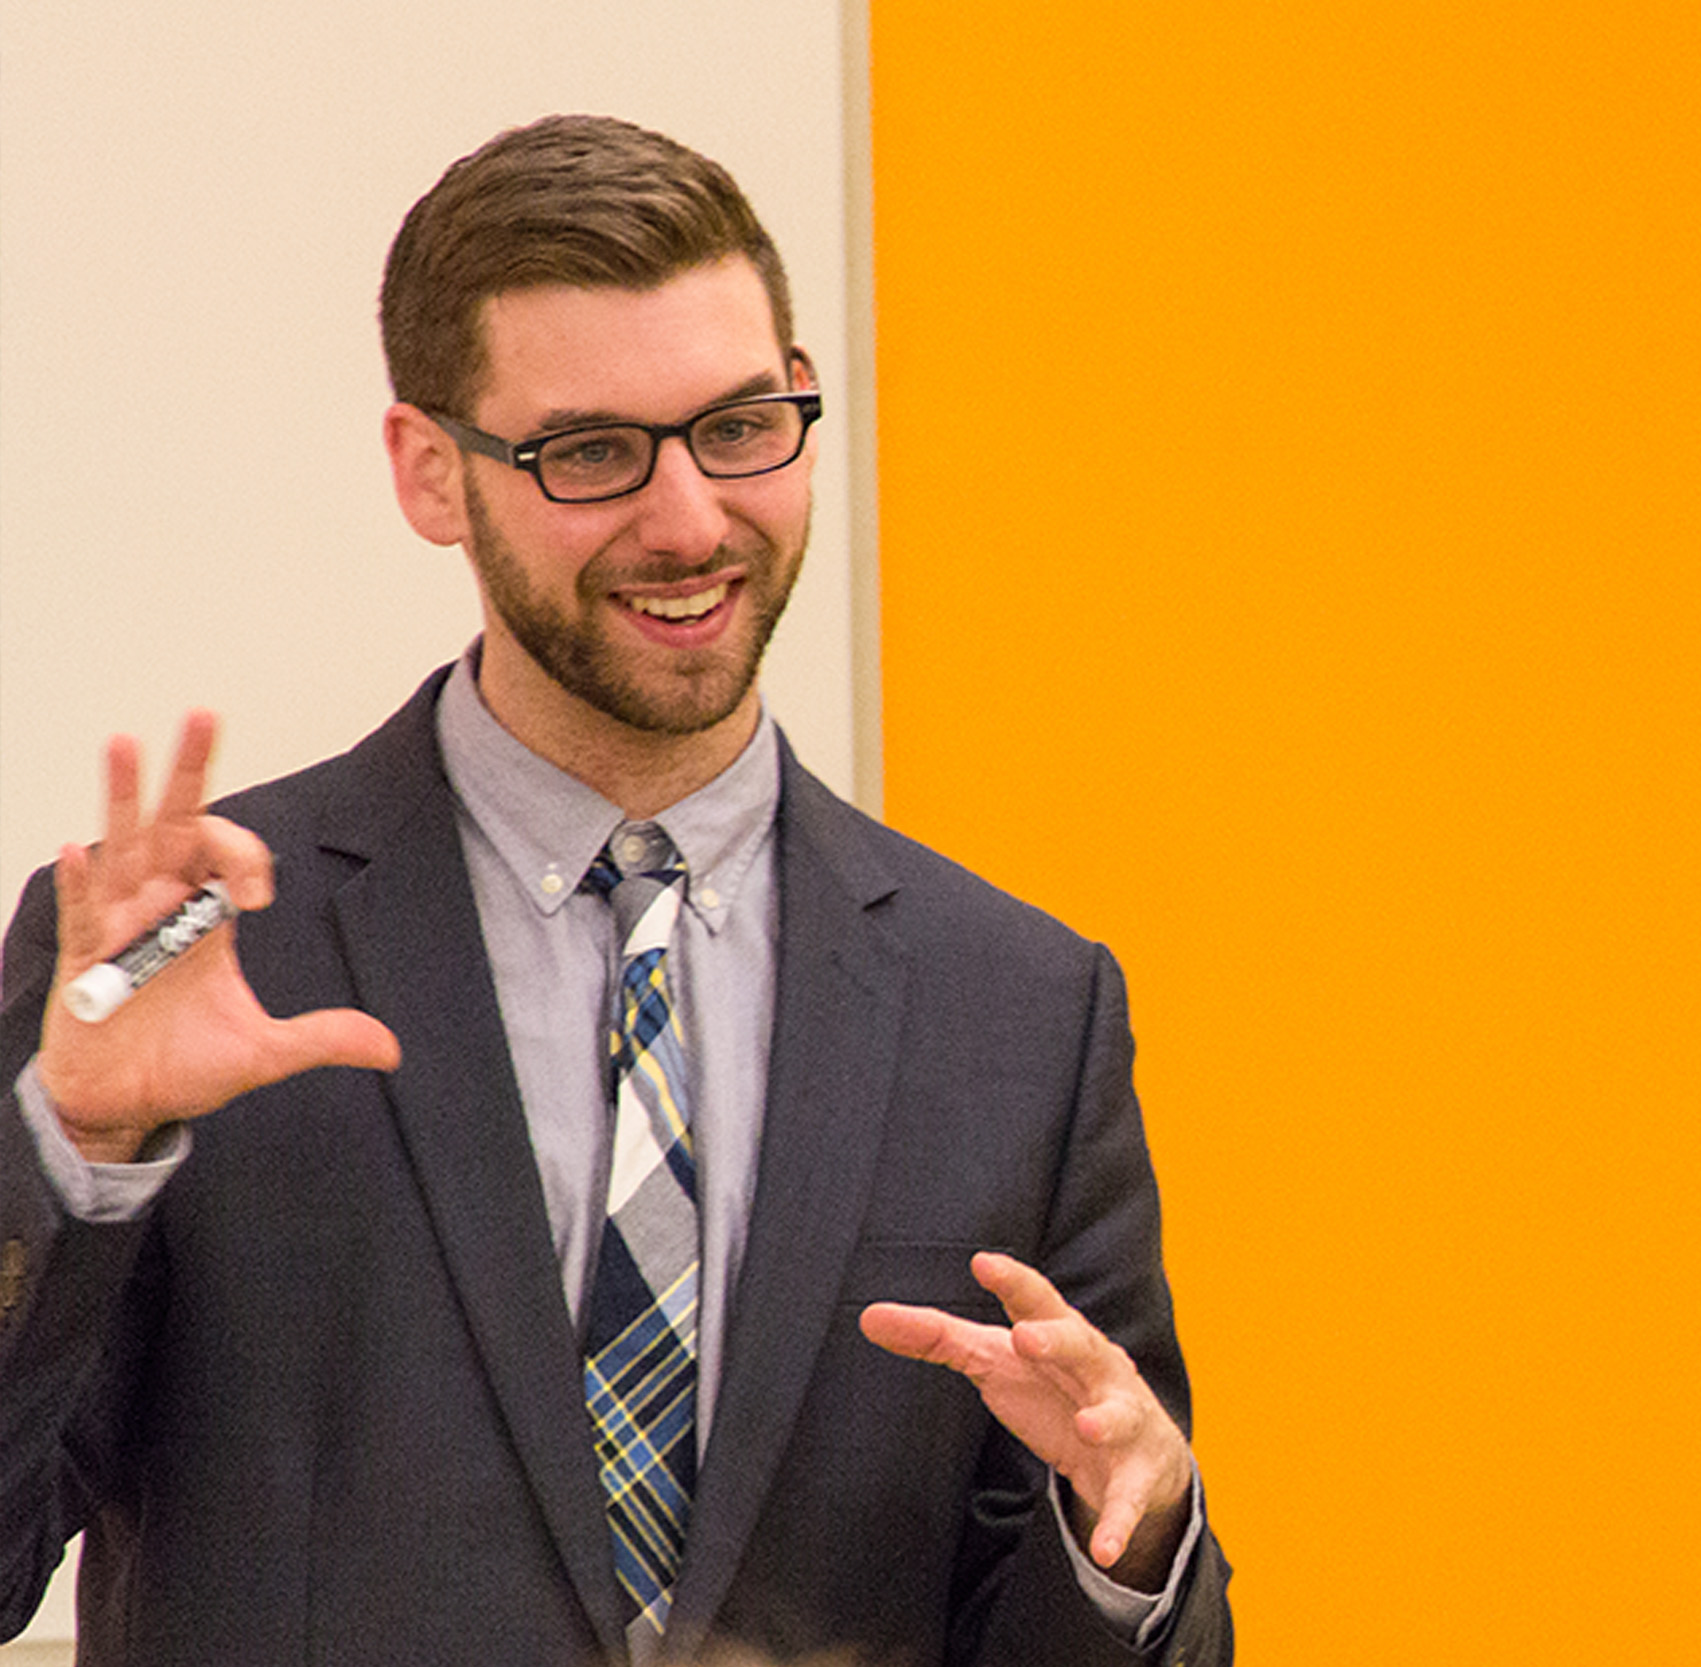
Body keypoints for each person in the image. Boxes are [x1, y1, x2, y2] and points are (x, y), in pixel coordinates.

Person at [0, 116, 1231, 1667]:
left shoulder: (1019, 1011)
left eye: (738, 425)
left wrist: (1138, 1536)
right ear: (432, 473)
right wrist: (71, 1152)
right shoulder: (194, 955)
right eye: (591, 452)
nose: (691, 520)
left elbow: (1051, 1603)